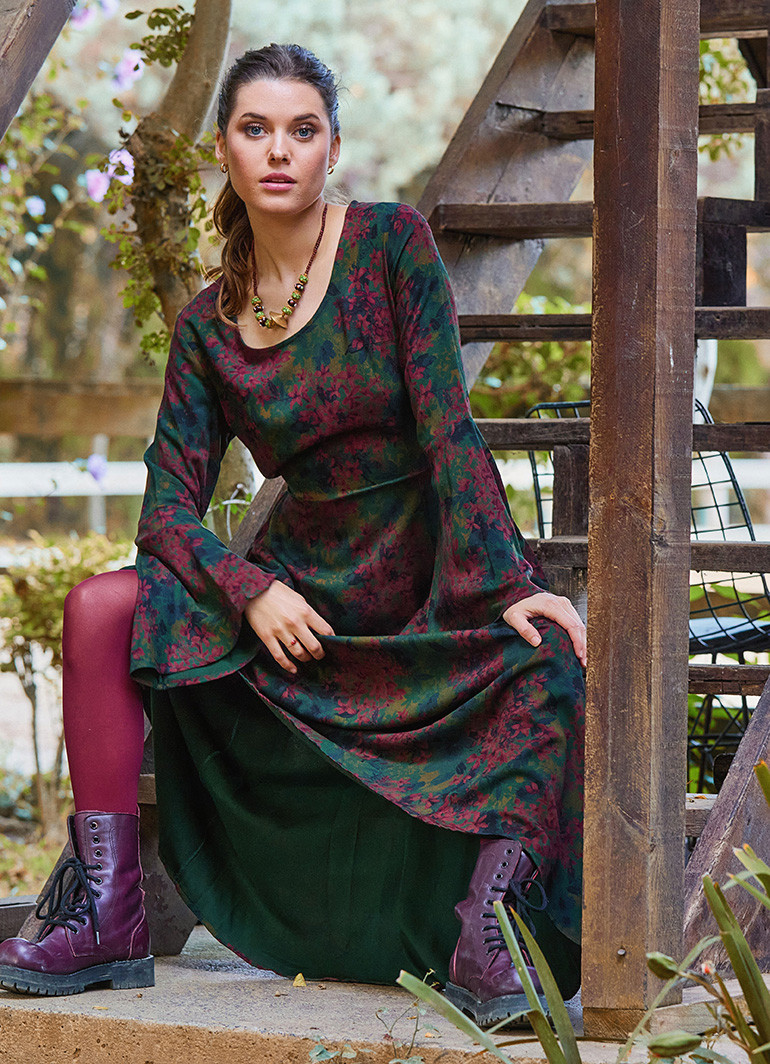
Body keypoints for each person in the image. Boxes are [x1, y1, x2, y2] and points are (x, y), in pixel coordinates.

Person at [0, 43, 586, 1026]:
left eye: (302, 130)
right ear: (224, 150)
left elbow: (449, 430)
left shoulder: (390, 245)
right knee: (102, 606)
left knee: (546, 659)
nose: (279, 151)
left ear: (331, 149)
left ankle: (489, 938)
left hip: (421, 589)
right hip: (298, 611)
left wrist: (507, 584)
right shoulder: (208, 327)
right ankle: (105, 910)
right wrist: (251, 590)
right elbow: (165, 511)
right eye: (255, 128)